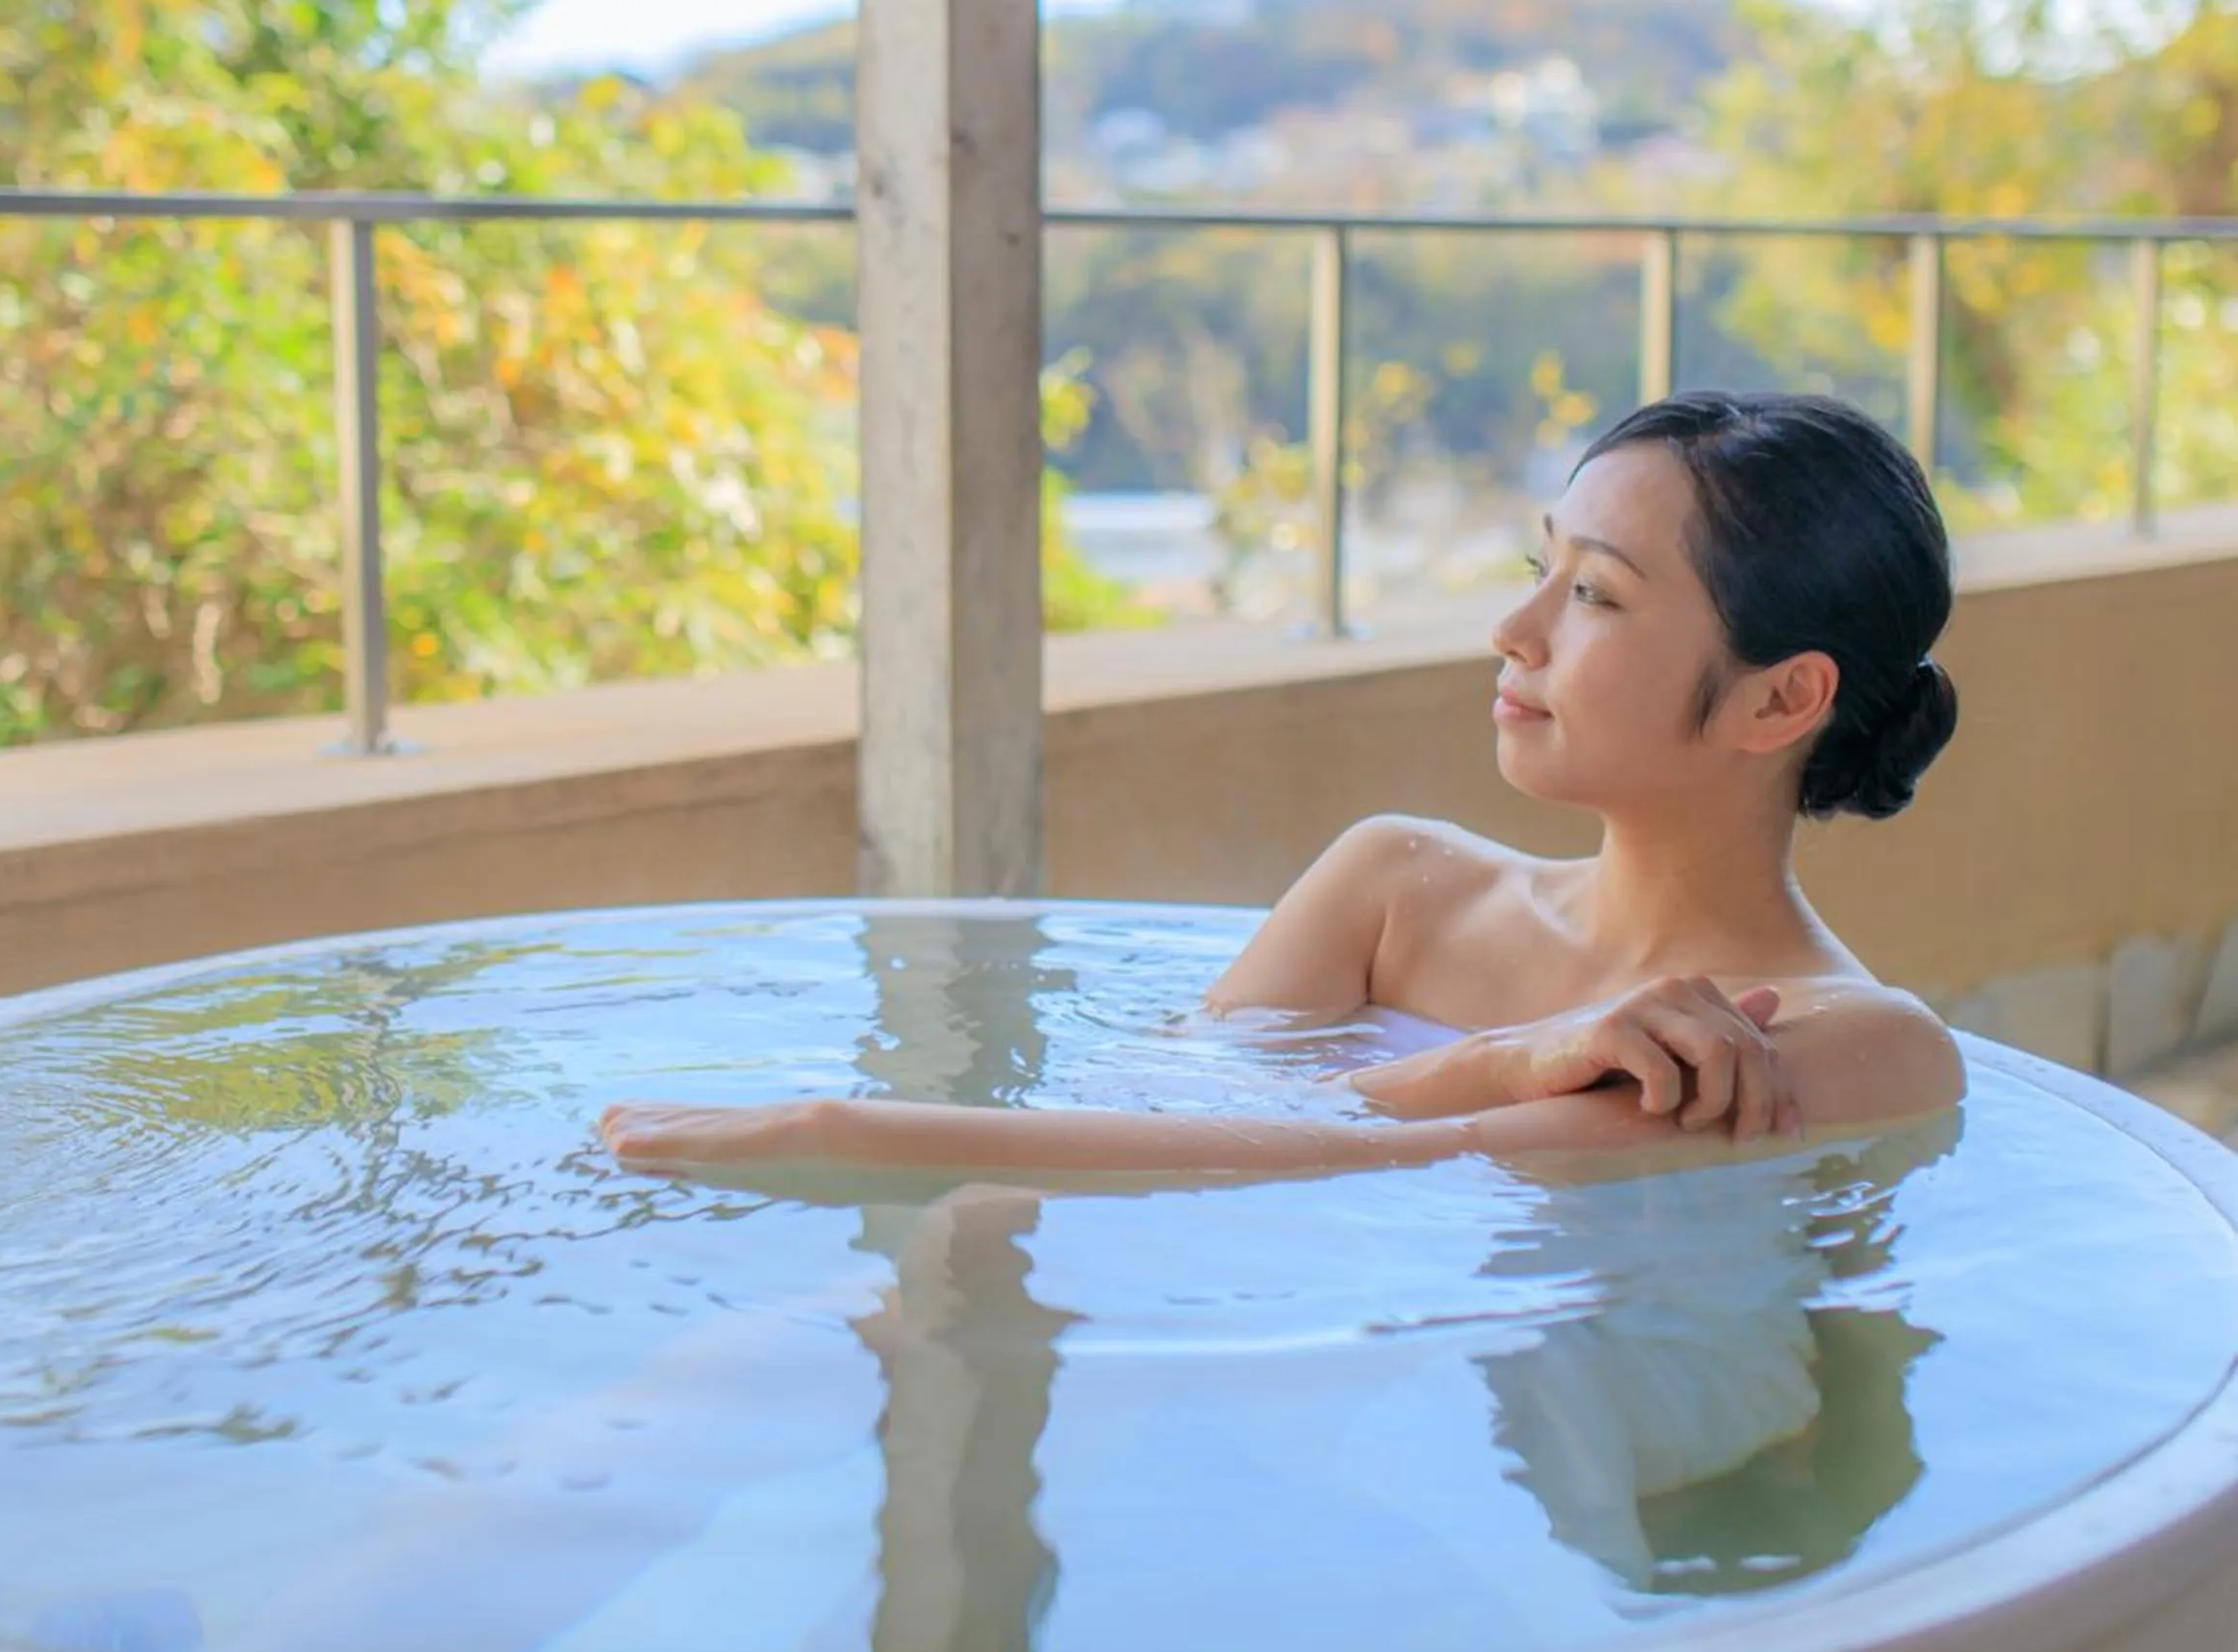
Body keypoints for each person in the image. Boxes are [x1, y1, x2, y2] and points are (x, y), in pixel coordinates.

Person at [599, 390, 1969, 1182]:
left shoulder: (1849, 1040)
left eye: (1597, 593)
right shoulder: (1398, 888)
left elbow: (1367, 1160)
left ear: (1783, 696)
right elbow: (1145, 1125)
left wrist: (835, 1129)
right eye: (1540, 562)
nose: (1516, 626)